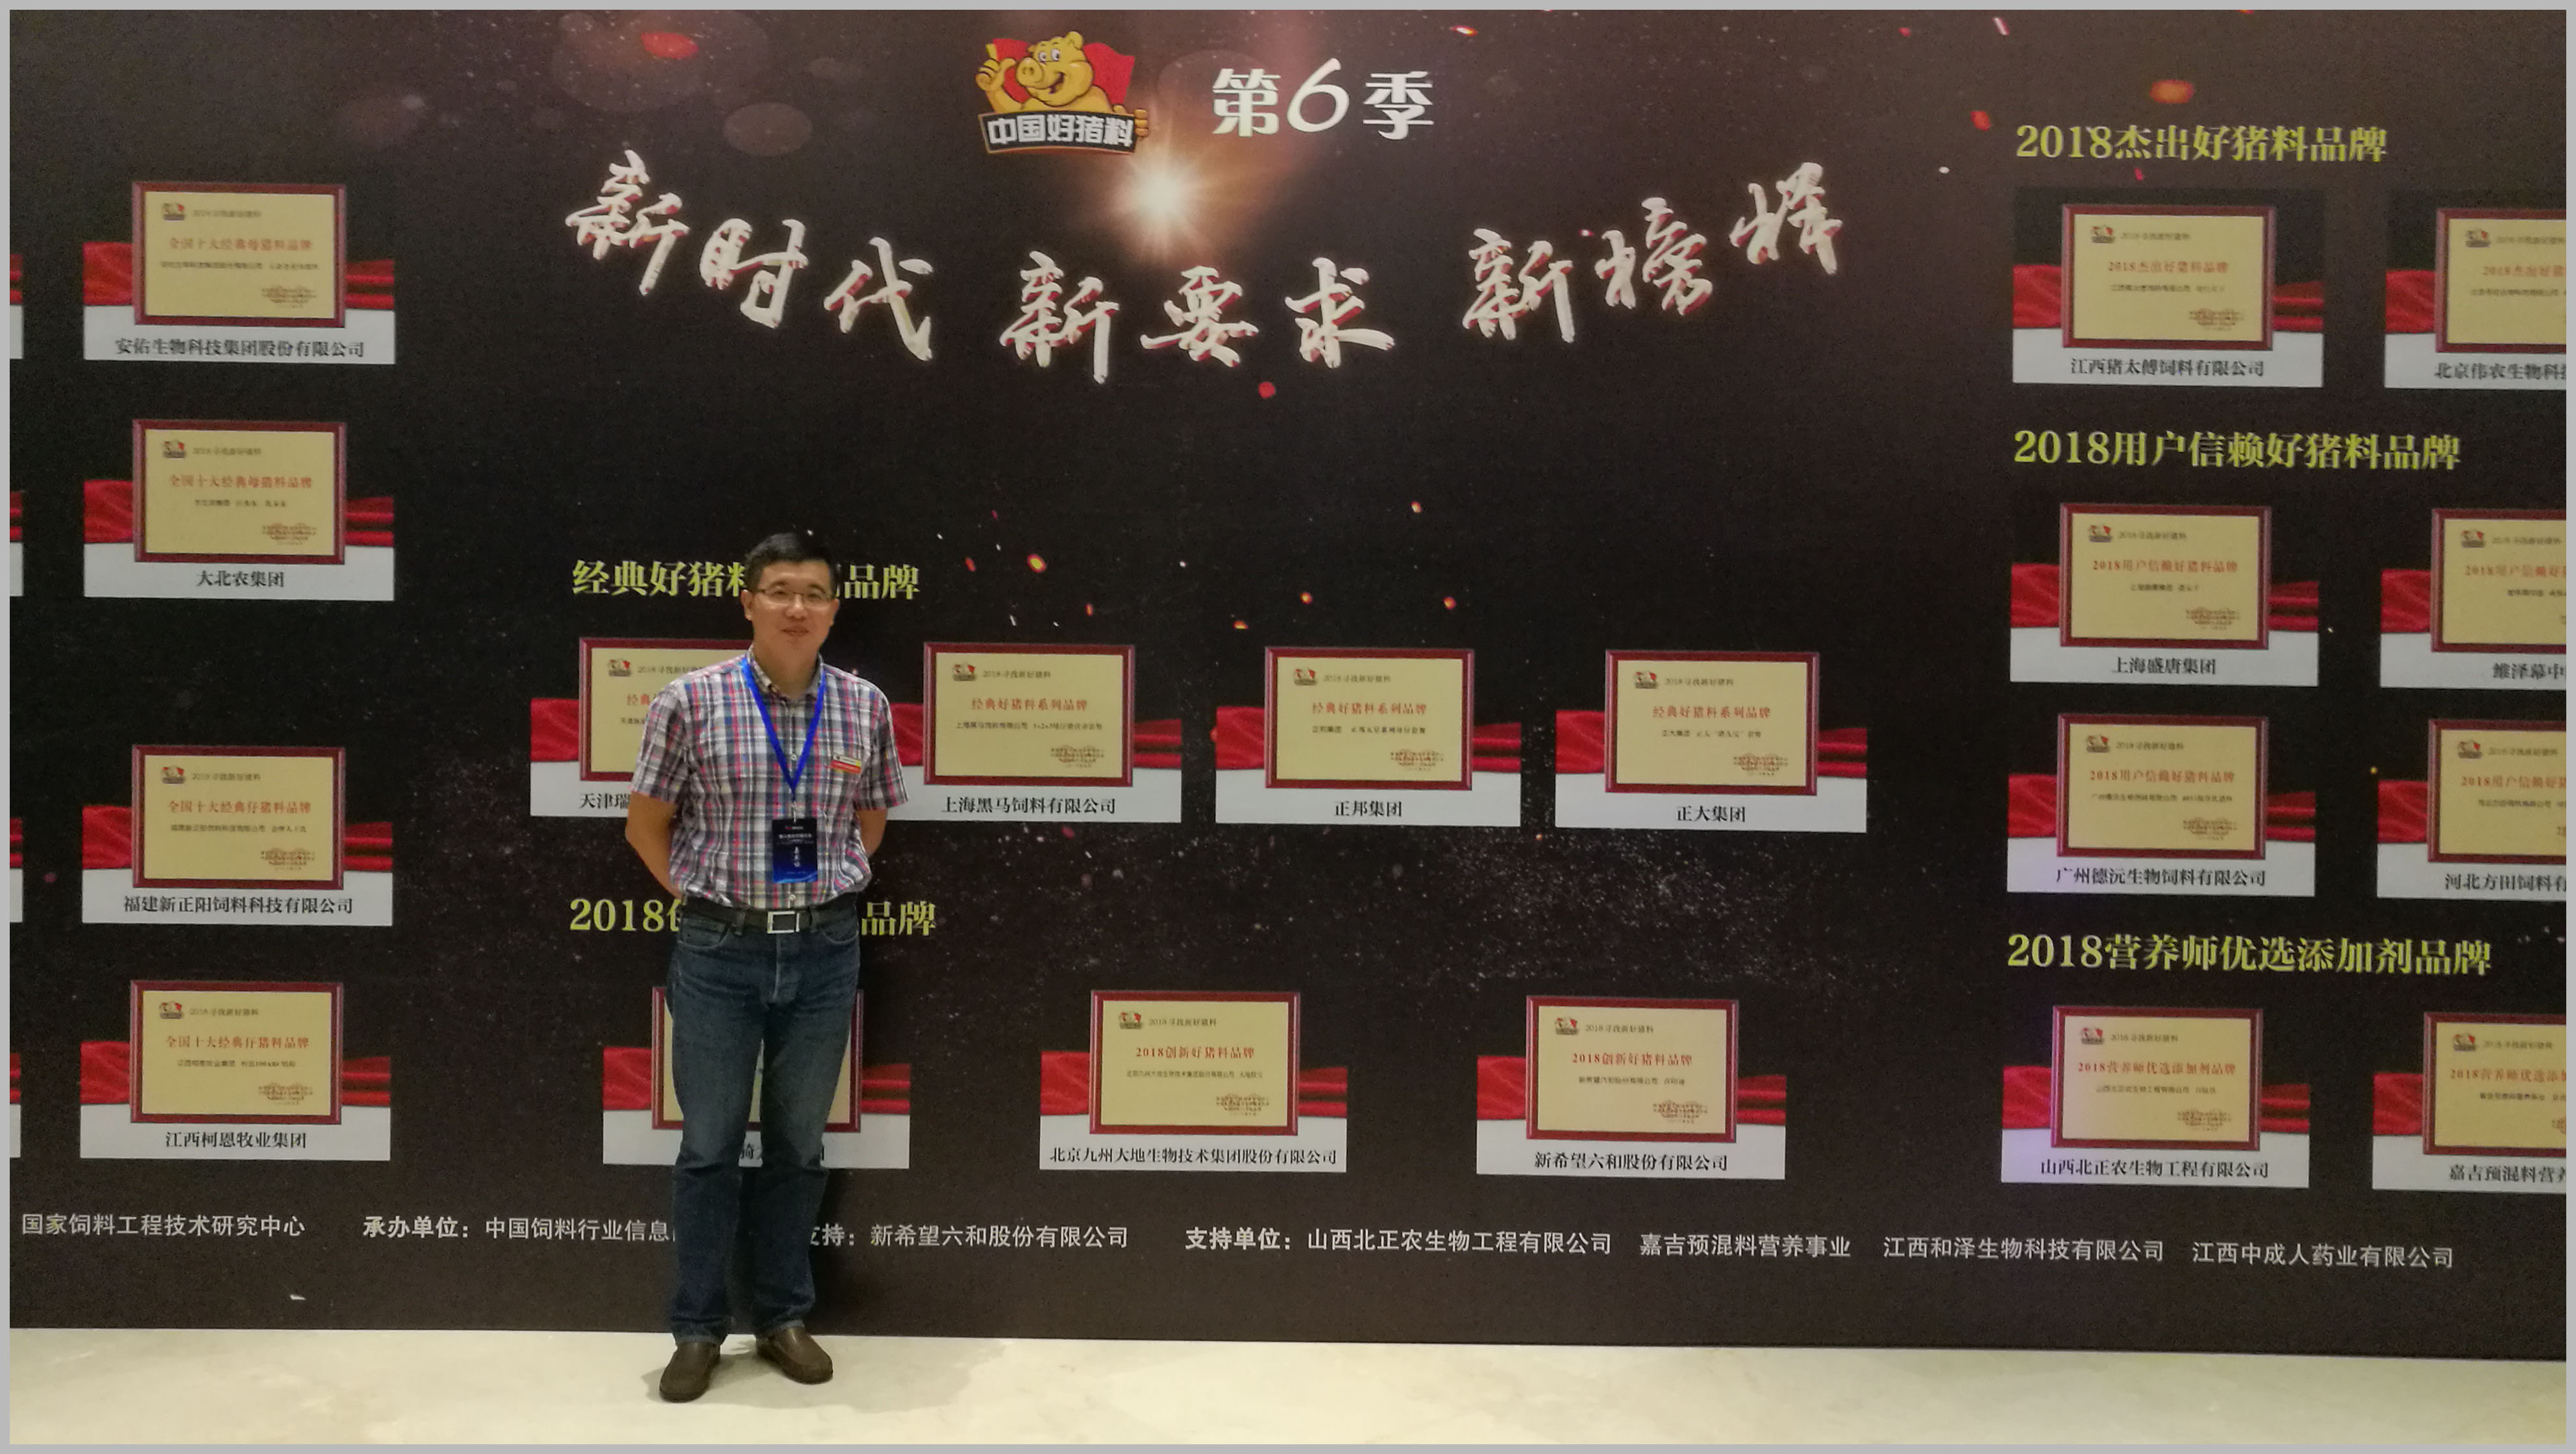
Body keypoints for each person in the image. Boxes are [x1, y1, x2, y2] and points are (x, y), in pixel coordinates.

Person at [623, 530, 906, 1402]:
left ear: (834, 610)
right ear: (747, 603)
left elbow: (871, 821)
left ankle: (783, 1316)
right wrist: (710, 900)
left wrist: (815, 891)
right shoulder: (690, 701)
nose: (796, 608)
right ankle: (697, 1327)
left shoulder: (863, 706)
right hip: (719, 950)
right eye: (779, 590)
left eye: (813, 594)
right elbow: (645, 825)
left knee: (798, 1146)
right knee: (708, 1147)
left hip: (823, 949)